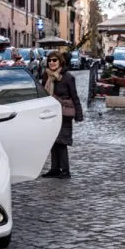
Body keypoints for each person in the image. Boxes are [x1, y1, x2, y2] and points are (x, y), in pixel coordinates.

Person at [41, 50, 83, 179]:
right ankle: (55, 169)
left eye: (55, 60)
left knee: (62, 142)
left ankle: (65, 170)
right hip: (50, 113)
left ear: (60, 61)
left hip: (64, 112)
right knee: (53, 141)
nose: (52, 63)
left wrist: (78, 114)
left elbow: (74, 96)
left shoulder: (68, 77)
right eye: (50, 60)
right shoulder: (46, 76)